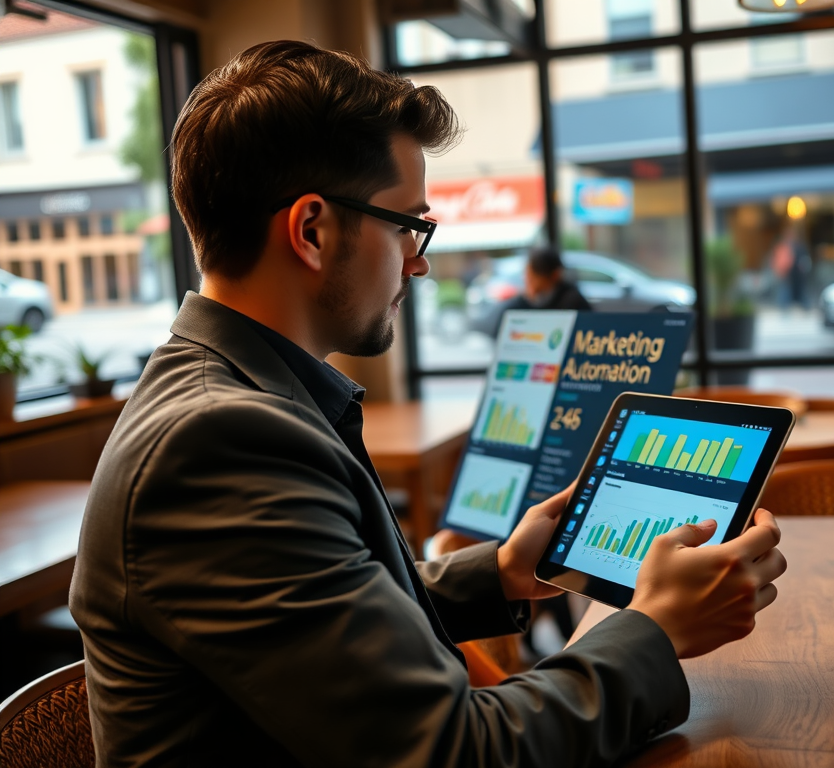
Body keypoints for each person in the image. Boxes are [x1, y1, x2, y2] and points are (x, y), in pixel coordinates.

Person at [69, 41, 786, 767]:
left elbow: (331, 616)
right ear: (312, 231)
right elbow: (452, 751)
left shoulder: (238, 395)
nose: (420, 260)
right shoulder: (220, 442)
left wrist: (502, 571)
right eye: (409, 224)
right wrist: (659, 629)